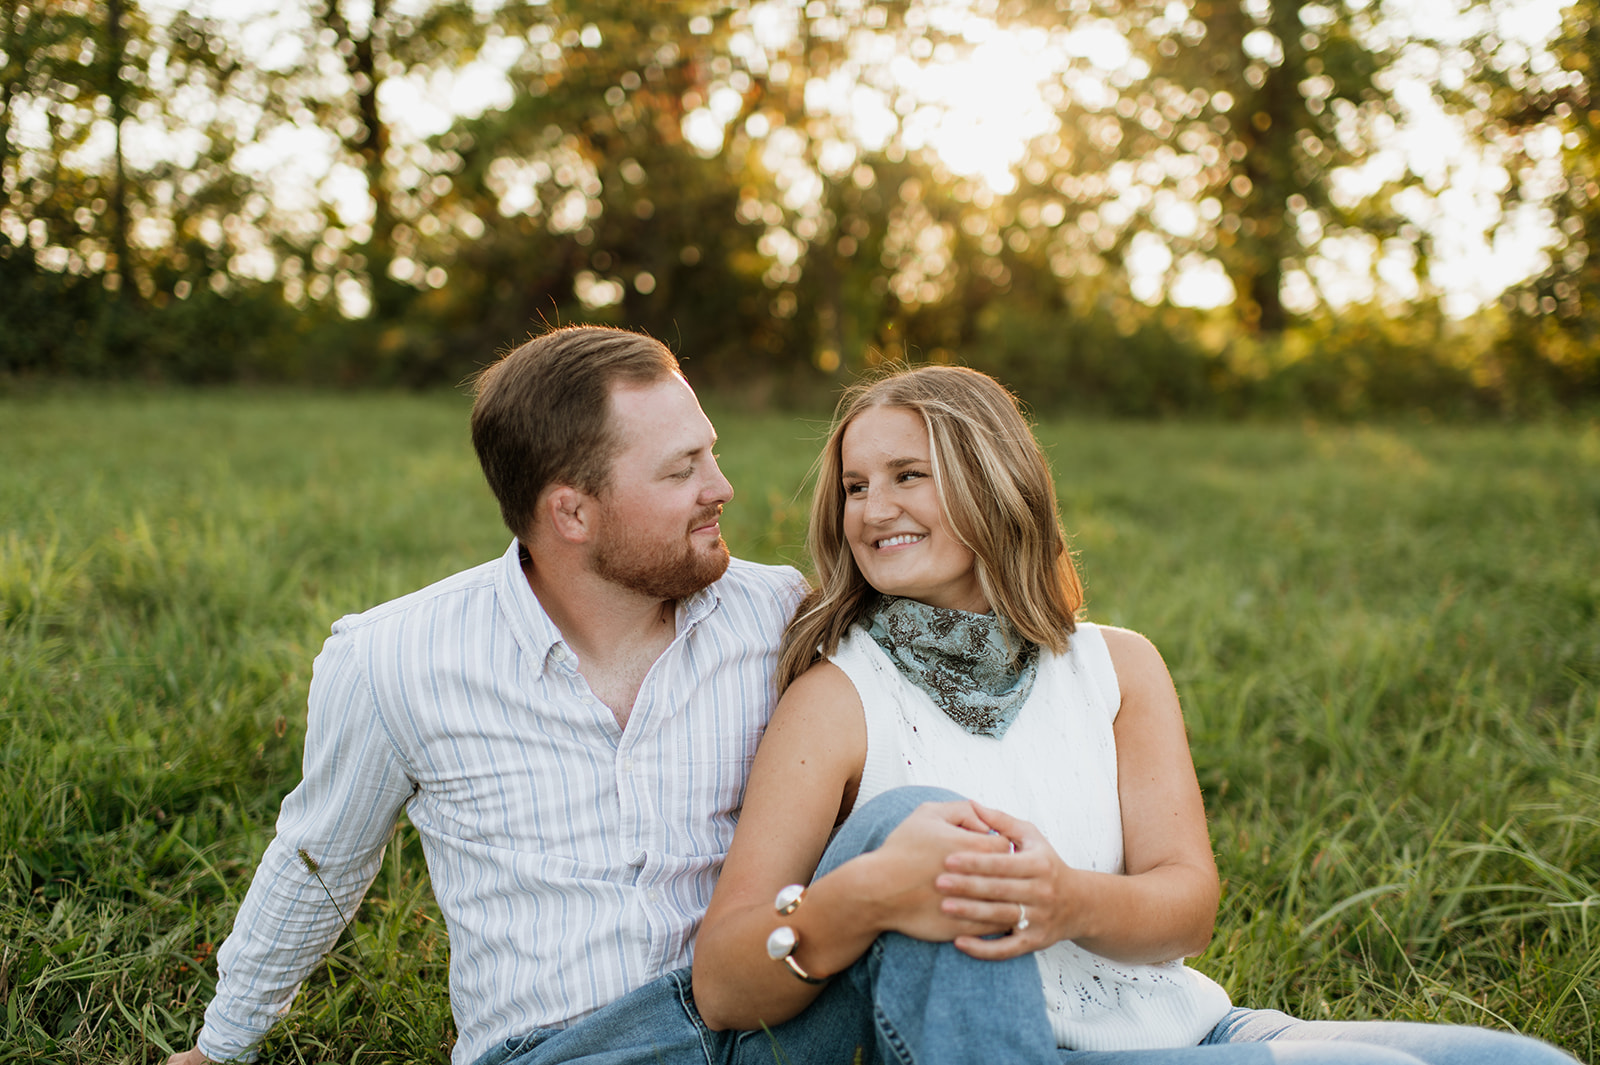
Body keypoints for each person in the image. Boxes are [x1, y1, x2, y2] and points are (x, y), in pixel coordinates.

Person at [690, 365, 1577, 1065]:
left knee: (1529, 1061)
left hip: (1196, 1026)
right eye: (854, 486)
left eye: (907, 476)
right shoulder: (837, 698)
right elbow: (726, 979)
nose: (873, 509)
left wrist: (1066, 900)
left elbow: (1186, 904)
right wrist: (863, 898)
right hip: (1031, 1051)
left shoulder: (1118, 665)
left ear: (996, 483)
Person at [163, 325, 846, 1065]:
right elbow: (317, 858)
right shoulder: (396, 659)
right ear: (573, 513)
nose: (722, 486)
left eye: (711, 451)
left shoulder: (777, 615)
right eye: (683, 468)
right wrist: (218, 1048)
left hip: (765, 1023)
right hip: (563, 1046)